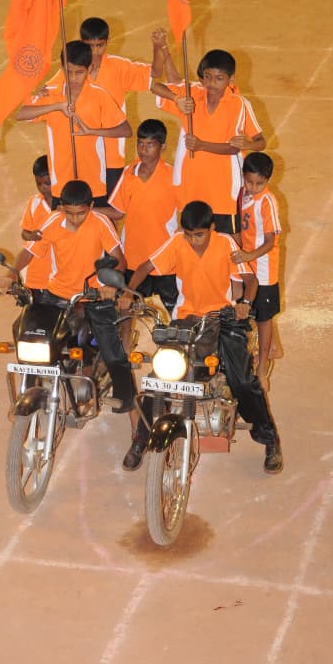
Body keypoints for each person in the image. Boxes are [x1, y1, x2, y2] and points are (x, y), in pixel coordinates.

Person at [119, 200, 283, 474]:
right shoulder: (177, 242)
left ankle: (270, 439)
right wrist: (128, 292)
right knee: (160, 376)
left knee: (242, 380)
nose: (193, 240)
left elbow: (250, 280)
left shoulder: (225, 243)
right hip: (187, 319)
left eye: (199, 235)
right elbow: (145, 267)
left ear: (212, 228)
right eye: (188, 234)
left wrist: (244, 302)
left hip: (223, 318)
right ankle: (140, 439)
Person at [9, 180, 135, 413]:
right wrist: (11, 272)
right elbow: (29, 251)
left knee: (112, 351)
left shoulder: (101, 222)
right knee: (30, 334)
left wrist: (110, 284)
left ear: (91, 206)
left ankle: (125, 397)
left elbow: (119, 259)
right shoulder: (52, 222)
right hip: (57, 295)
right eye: (69, 213)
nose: (75, 219)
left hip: (94, 295)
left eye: (81, 213)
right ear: (61, 209)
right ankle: (29, 389)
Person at [152, 48, 265, 234]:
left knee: (229, 239)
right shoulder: (192, 95)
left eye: (219, 78)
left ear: (231, 79)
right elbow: (155, 86)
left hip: (223, 188)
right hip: (192, 185)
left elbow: (250, 144)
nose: (212, 83)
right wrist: (177, 99)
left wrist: (248, 145)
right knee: (193, 237)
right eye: (207, 77)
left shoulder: (238, 105)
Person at [16, 40, 131, 206]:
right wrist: (57, 106)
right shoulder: (51, 93)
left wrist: (92, 131)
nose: (73, 78)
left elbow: (125, 130)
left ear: (89, 69)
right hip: (61, 182)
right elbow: (21, 114)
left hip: (93, 181)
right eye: (68, 72)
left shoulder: (100, 96)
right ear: (62, 68)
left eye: (79, 72)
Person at [79, 19, 180, 195]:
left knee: (110, 204)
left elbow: (154, 73)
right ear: (81, 43)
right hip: (81, 153)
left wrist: (157, 47)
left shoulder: (118, 67)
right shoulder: (73, 69)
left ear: (107, 42)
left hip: (111, 156)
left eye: (99, 46)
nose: (94, 51)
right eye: (90, 46)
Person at [105, 119, 179, 314]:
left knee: (169, 317)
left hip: (164, 261)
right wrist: (88, 210)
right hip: (132, 258)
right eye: (140, 144)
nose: (144, 150)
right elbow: (118, 212)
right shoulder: (128, 173)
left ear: (163, 146)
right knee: (127, 313)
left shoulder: (174, 176)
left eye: (150, 145)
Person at [232, 152, 282, 392]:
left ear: (267, 181)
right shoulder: (242, 194)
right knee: (242, 307)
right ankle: (272, 346)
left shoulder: (267, 201)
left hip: (262, 268)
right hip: (246, 265)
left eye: (259, 183)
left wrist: (250, 255)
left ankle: (262, 367)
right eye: (249, 181)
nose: (253, 187)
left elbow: (271, 241)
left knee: (263, 317)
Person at [19, 155, 56, 301]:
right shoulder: (34, 203)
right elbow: (24, 232)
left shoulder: (68, 207)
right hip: (36, 275)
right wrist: (30, 236)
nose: (42, 188)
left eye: (47, 183)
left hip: (61, 273)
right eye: (38, 184)